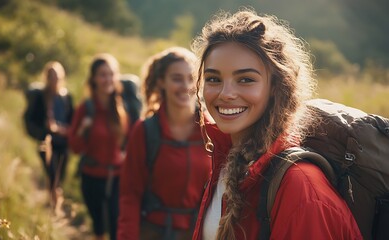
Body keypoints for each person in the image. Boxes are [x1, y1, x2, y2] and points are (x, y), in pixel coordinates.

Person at [191, 9, 363, 240]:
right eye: (214, 79)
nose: (226, 93)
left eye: (245, 80)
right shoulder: (225, 161)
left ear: (275, 87)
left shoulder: (301, 187)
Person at [117, 47, 212, 240]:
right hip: (151, 232)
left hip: (196, 233)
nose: (186, 85)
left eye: (191, 78)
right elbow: (130, 194)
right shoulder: (145, 131)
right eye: (177, 78)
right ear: (162, 82)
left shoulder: (211, 131)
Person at [68, 53, 129, 240]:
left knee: (115, 225)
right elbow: (75, 147)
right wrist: (82, 130)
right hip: (92, 176)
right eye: (103, 74)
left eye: (111, 74)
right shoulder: (86, 108)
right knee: (98, 226)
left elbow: (128, 141)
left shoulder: (120, 107)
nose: (108, 79)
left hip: (117, 177)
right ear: (94, 78)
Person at [23, 61, 74, 214]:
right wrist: (41, 132)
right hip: (46, 142)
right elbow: (29, 119)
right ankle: (54, 205)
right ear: (46, 78)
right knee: (52, 173)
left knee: (61, 175)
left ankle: (55, 197)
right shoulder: (39, 96)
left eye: (57, 77)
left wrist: (67, 131)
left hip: (63, 142)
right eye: (51, 77)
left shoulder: (66, 97)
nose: (54, 80)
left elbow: (73, 119)